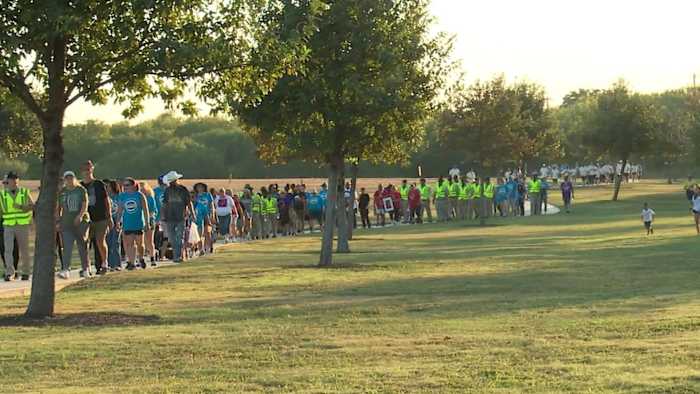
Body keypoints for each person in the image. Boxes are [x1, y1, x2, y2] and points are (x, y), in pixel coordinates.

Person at [80, 161, 112, 275]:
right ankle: (86, 267)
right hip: (85, 218)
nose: (87, 171)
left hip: (100, 217)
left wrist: (109, 217)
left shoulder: (99, 184)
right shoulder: (80, 186)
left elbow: (106, 201)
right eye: (84, 169)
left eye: (88, 169)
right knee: (84, 243)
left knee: (100, 241)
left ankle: (104, 263)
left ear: (92, 169)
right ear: (81, 171)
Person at [57, 171, 91, 279]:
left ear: (74, 178)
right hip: (67, 222)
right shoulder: (62, 192)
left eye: (71, 178)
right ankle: (65, 269)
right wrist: (58, 220)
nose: (69, 180)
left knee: (82, 245)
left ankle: (85, 269)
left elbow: (84, 204)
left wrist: (80, 216)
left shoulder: (80, 190)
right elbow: (59, 207)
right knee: (67, 246)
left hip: (81, 222)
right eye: (67, 178)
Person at [1, 172, 33, 281]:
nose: (14, 182)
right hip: (8, 225)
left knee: (24, 249)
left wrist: (20, 206)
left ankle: (26, 272)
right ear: (8, 181)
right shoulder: (2, 194)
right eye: (11, 180)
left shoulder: (24, 192)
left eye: (15, 180)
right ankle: (10, 272)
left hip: (22, 224)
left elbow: (32, 206)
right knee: (8, 250)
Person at [117, 178, 150, 270]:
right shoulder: (122, 196)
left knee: (140, 244)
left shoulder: (140, 195)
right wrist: (118, 221)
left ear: (133, 186)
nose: (125, 187)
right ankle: (132, 263)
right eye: (124, 185)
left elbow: (145, 210)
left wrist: (147, 222)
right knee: (130, 244)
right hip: (127, 223)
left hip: (138, 223)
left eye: (127, 185)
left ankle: (141, 258)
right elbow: (120, 210)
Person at [161, 171, 192, 263]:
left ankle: (177, 256)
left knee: (179, 237)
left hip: (180, 216)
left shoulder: (183, 190)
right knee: (172, 238)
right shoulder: (167, 190)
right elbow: (165, 204)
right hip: (169, 217)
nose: (172, 183)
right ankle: (177, 255)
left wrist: (192, 214)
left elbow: (188, 202)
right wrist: (163, 215)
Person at [105, 180, 123, 271]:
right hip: (108, 221)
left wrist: (118, 222)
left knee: (115, 242)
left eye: (108, 186)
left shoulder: (119, 197)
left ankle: (117, 264)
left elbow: (121, 210)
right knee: (108, 243)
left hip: (117, 220)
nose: (106, 188)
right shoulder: (106, 197)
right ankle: (110, 264)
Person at [140, 182, 158, 266]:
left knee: (149, 241)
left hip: (150, 220)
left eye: (143, 189)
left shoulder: (150, 198)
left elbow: (153, 210)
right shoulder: (137, 198)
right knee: (140, 241)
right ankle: (140, 258)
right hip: (139, 220)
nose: (142, 191)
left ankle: (152, 258)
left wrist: (148, 218)